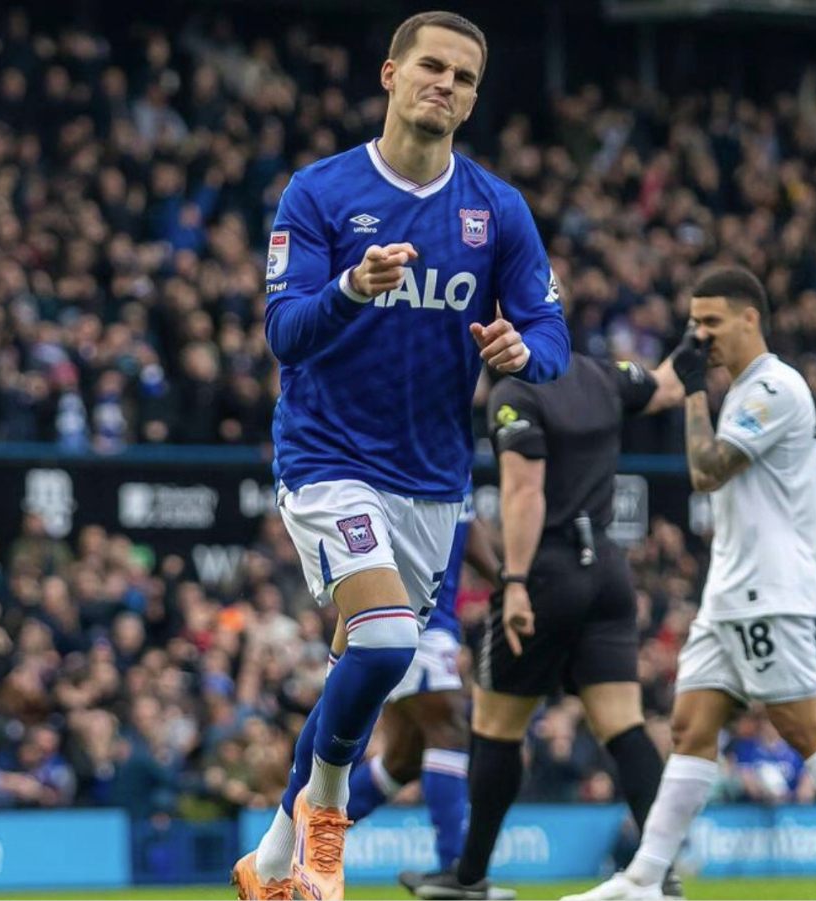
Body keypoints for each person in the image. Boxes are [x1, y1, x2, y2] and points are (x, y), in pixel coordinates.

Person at [229, 10, 571, 901]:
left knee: (362, 661)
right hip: (328, 458)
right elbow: (283, 334)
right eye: (431, 67)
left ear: (473, 97)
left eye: (463, 77)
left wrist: (521, 354)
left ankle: (269, 863)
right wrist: (350, 286)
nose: (445, 85)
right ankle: (327, 819)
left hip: (432, 482)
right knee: (383, 649)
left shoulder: (497, 209)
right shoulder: (319, 192)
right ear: (390, 74)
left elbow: (552, 332)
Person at [565, 266, 816, 901]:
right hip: (734, 590)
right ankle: (644, 877)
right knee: (692, 725)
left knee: (802, 725)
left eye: (711, 323)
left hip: (764, 592)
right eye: (694, 324)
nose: (699, 337)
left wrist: (692, 392)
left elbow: (708, 471)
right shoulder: (751, 389)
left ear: (751, 318)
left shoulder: (773, 388)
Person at [407, 350, 687, 900]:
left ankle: (469, 878)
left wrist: (513, 581)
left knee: (495, 727)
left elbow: (523, 492)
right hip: (607, 568)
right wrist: (697, 342)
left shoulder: (517, 392)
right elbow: (668, 387)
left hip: (547, 571)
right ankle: (661, 872)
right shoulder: (601, 373)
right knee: (624, 726)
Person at [346, 509, 500, 884]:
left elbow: (466, 524)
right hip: (413, 615)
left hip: (429, 617)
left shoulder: (453, 465)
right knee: (449, 728)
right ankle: (456, 869)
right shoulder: (423, 456)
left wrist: (507, 578)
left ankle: (296, 838)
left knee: (404, 760)